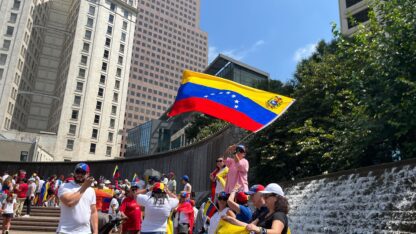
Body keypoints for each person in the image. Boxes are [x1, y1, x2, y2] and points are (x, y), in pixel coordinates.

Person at [224, 183, 289, 234]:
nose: (264, 198)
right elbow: (249, 226)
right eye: (264, 196)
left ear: (276, 198)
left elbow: (276, 232)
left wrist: (257, 229)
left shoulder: (279, 215)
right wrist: (232, 220)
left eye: (266, 196)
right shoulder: (265, 213)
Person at [57, 163, 98, 234]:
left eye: (82, 172)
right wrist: (84, 187)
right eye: (77, 172)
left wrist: (95, 231)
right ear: (74, 173)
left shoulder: (91, 190)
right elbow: (69, 203)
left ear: (88, 174)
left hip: (86, 231)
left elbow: (93, 212)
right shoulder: (65, 186)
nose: (79, 174)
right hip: (66, 231)